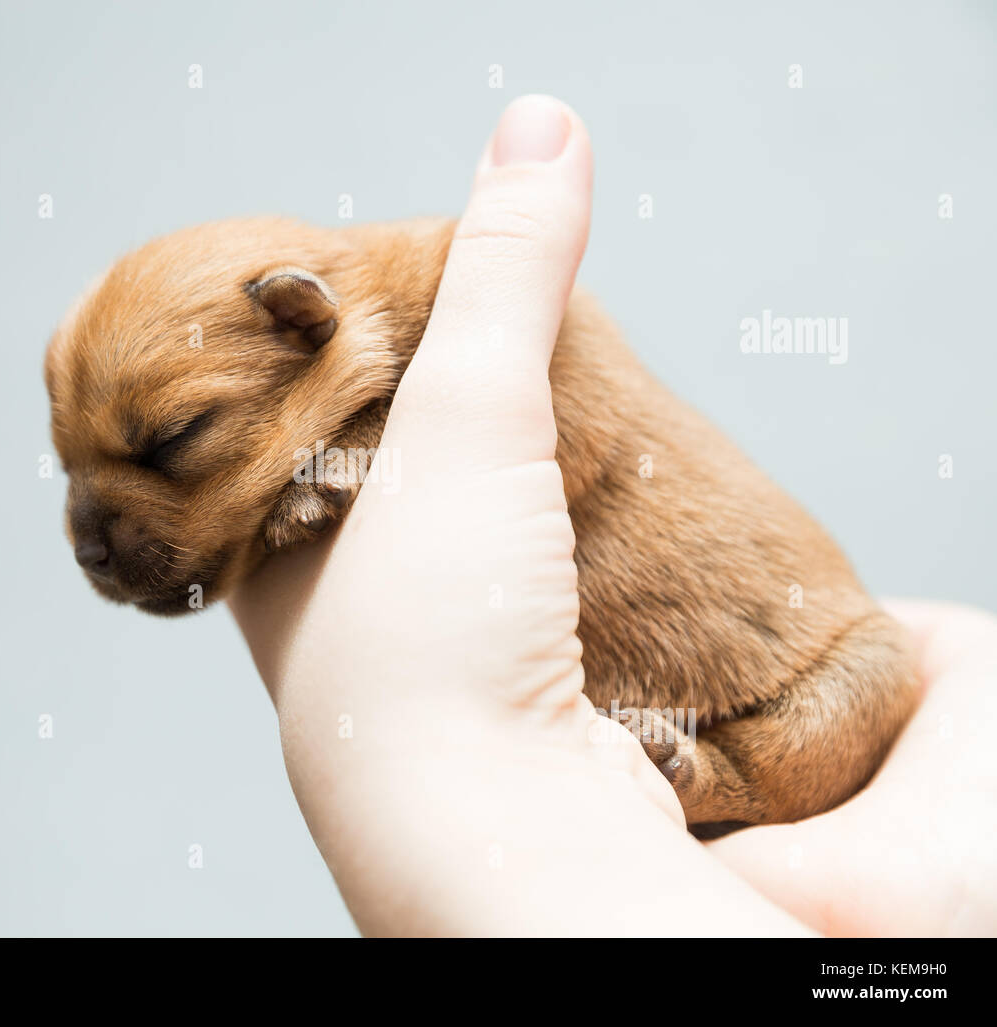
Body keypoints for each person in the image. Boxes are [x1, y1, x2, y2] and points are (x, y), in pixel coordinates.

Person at [229, 95, 997, 937]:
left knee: (869, 677)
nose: (94, 540)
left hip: (797, 662)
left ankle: (724, 777)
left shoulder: (484, 314)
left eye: (172, 442)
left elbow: (578, 444)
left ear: (301, 317)